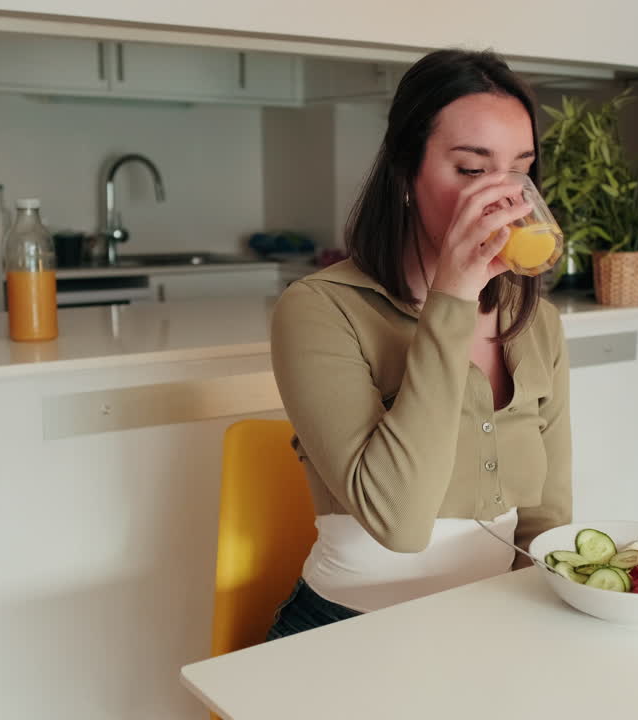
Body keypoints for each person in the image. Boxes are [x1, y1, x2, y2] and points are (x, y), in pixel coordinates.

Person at [267, 48, 571, 640]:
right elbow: (400, 522)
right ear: (406, 172)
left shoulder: (537, 321)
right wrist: (452, 299)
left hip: (483, 626)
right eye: (472, 170)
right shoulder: (319, 310)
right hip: (344, 633)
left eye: (520, 171)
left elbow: (547, 521)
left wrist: (532, 633)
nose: (504, 199)